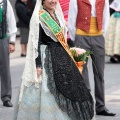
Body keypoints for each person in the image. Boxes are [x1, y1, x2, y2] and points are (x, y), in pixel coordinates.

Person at [13, 0, 95, 119]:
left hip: (62, 56)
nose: (53, 1)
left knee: (69, 89)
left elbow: (62, 39)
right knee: (47, 91)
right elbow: (35, 42)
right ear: (43, 1)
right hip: (46, 56)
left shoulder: (58, 14)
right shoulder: (38, 17)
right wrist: (38, 64)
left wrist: (73, 49)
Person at [68, 0, 116, 116]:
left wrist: (100, 35)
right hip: (81, 36)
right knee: (82, 73)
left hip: (98, 36)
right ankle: (86, 105)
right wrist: (76, 38)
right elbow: (71, 18)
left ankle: (101, 106)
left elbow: (106, 19)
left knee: (99, 73)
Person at [0, 0, 17, 107]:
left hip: (2, 39)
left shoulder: (5, 2)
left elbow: (11, 21)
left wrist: (12, 41)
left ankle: (6, 97)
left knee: (5, 69)